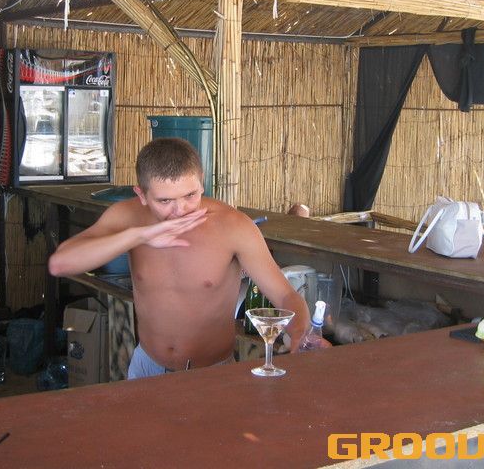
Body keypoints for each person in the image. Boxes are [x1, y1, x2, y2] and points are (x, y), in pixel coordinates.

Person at [49, 137, 310, 379]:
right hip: (146, 366)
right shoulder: (129, 216)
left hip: (212, 373)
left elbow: (285, 295)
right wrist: (138, 236)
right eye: (165, 201)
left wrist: (300, 333)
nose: (180, 210)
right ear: (141, 194)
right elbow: (61, 263)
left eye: (190, 195)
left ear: (202, 182)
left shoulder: (234, 226)